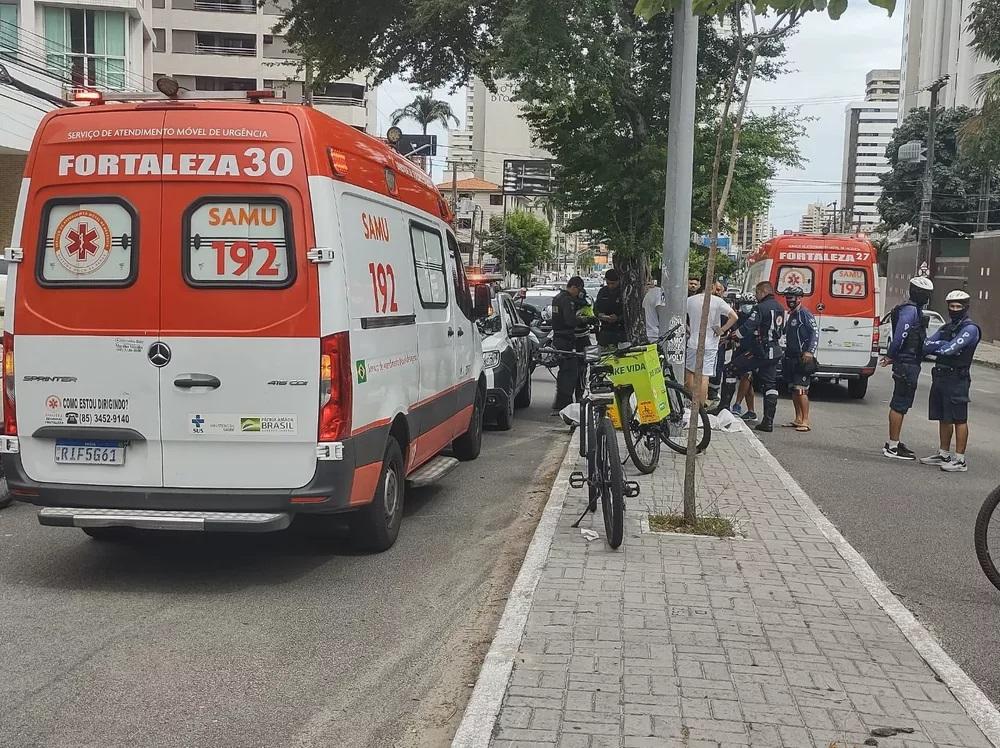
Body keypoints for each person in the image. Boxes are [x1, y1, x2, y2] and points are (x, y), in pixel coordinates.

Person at [919, 289, 981, 472]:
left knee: (959, 418)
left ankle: (960, 460)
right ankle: (943, 453)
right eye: (951, 306)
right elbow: (925, 346)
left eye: (958, 306)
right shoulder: (946, 328)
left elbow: (950, 350)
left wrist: (938, 347)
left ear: (965, 307)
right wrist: (940, 346)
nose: (954, 309)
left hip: (957, 378)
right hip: (941, 376)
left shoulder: (970, 329)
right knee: (944, 417)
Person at [881, 276, 934, 460]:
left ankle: (894, 442)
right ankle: (892, 447)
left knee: (902, 404)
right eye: (925, 293)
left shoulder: (913, 309)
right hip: (906, 362)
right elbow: (900, 336)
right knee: (900, 403)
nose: (926, 297)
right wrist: (890, 355)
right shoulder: (910, 311)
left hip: (910, 362)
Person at [732, 281, 785, 432]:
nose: (756, 296)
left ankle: (724, 408)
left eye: (757, 293)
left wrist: (734, 336)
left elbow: (748, 327)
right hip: (775, 351)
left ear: (762, 292)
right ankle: (768, 422)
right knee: (770, 385)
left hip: (759, 351)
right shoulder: (780, 308)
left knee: (731, 369)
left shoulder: (760, 308)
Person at [685, 283, 738, 406]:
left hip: (693, 342)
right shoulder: (718, 301)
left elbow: (680, 316)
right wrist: (722, 330)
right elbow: (734, 317)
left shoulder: (690, 300)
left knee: (690, 372)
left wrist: (689, 329)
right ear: (712, 286)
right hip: (711, 344)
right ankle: (700, 407)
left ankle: (690, 401)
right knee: (704, 376)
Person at [781, 286, 818, 432]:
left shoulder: (804, 314)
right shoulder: (792, 314)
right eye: (788, 297)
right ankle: (797, 418)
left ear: (799, 298)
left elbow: (814, 333)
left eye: (793, 297)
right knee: (793, 390)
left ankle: (806, 420)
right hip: (790, 357)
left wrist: (810, 351)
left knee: (801, 390)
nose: (790, 300)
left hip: (802, 357)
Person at [550, 277, 587, 414]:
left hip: (558, 338)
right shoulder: (567, 300)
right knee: (570, 372)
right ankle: (565, 405)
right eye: (579, 290)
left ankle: (559, 403)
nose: (579, 293)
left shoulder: (557, 297)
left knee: (564, 371)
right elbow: (570, 320)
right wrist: (582, 319)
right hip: (566, 339)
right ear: (574, 287)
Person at [594, 268, 626, 347]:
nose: (610, 286)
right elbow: (595, 308)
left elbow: (631, 312)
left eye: (613, 283)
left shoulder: (624, 292)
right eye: (608, 283)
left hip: (620, 331)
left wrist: (618, 318)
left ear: (619, 281)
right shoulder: (603, 291)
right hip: (605, 330)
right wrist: (599, 315)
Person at [642, 269, 666, 343]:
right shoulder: (659, 293)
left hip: (651, 333)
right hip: (657, 335)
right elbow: (663, 317)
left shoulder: (650, 293)